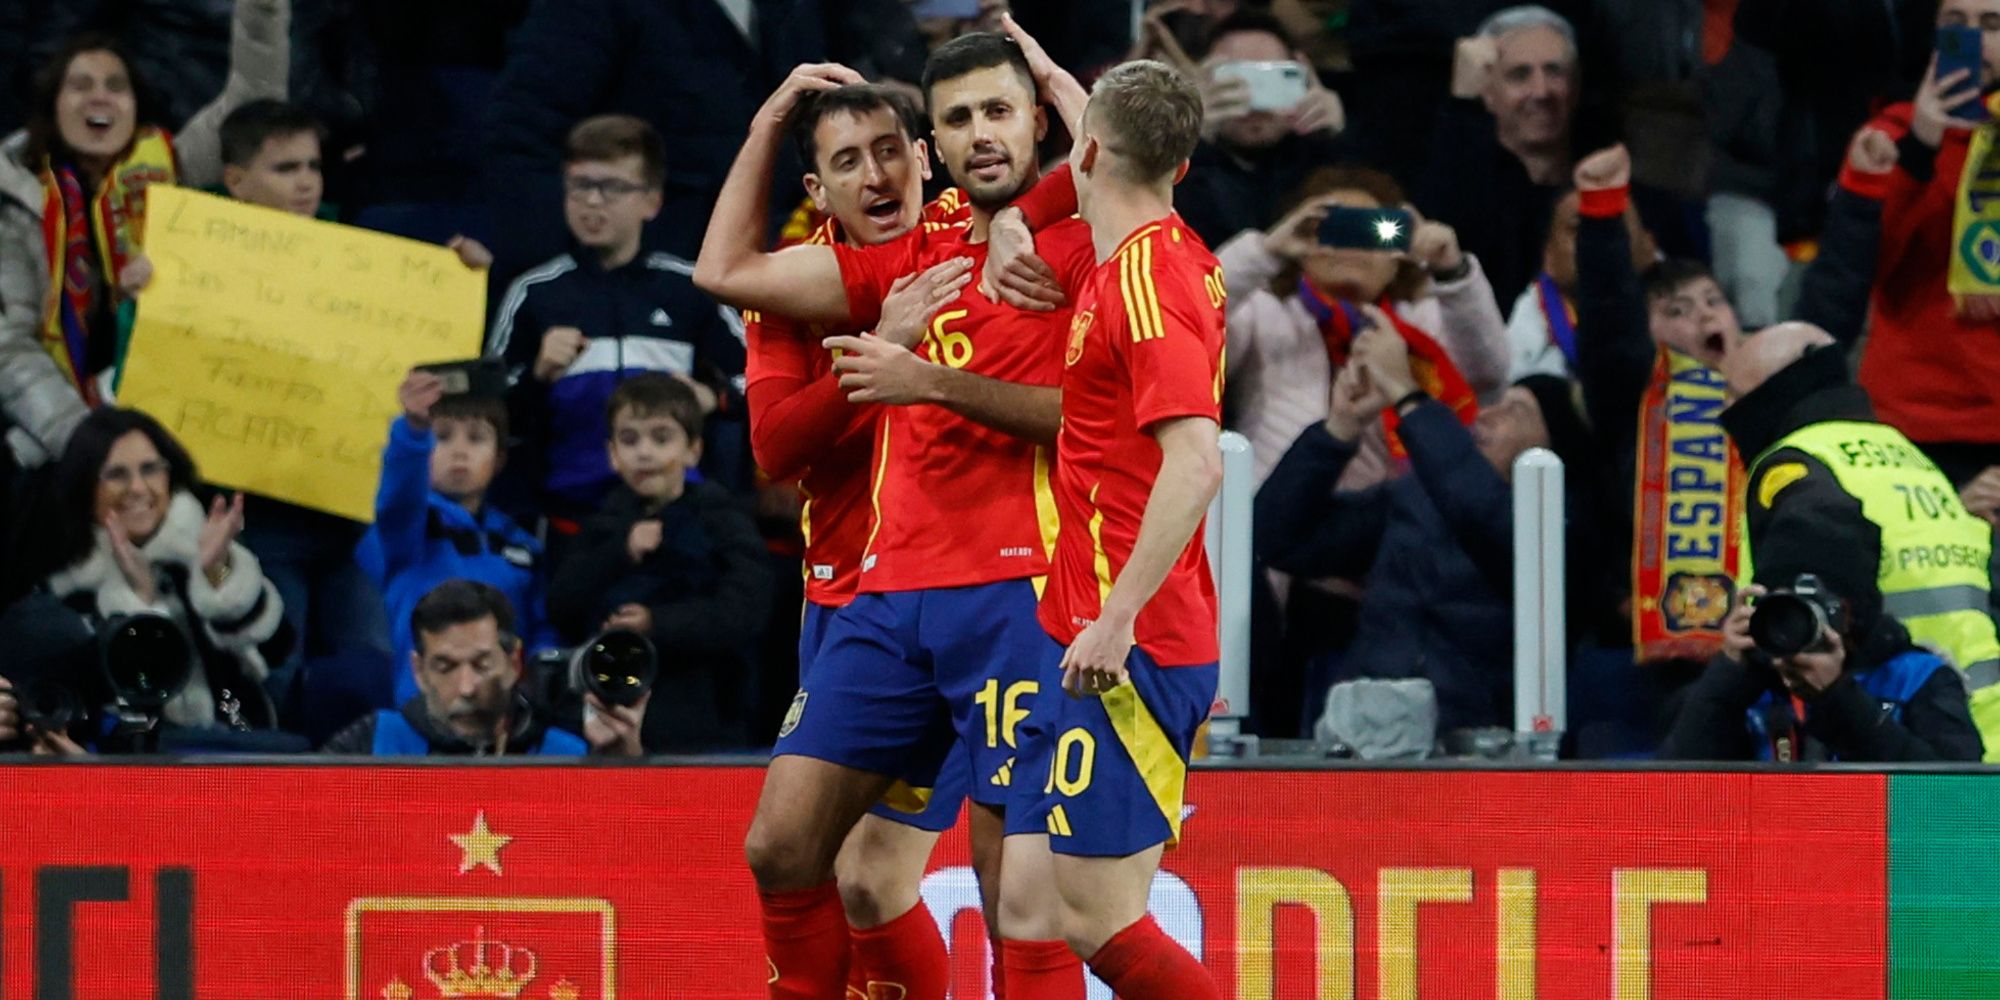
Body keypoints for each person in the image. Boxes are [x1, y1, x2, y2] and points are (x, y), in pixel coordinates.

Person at [694, 34, 1097, 999]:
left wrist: (1042, 101)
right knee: (795, 852)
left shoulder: (1064, 239)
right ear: (819, 185)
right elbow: (729, 295)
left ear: (922, 159)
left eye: (891, 149)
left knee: (970, 894)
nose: (877, 173)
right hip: (864, 597)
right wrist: (763, 120)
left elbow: (1119, 158)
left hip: (1017, 597)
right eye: (845, 161)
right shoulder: (888, 268)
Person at [993, 56, 1226, 998]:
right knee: (1027, 905)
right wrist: (1049, 72)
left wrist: (1117, 619)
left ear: (1086, 151)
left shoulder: (1144, 284)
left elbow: (1197, 461)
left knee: (1096, 918)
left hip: (1130, 644)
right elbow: (1110, 140)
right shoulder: (1148, 244)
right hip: (1079, 627)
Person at [1256, 325, 1594, 747]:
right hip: (1362, 736)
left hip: (1475, 747)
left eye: (1516, 411)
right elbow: (1280, 538)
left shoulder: (1560, 528)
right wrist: (1339, 429)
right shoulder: (1419, 495)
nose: (1486, 414)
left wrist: (1408, 395)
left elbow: (1482, 513)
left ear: (1551, 447)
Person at [0, 8, 288, 469]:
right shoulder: (11, 199)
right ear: (52, 105)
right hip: (54, 440)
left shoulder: (171, 165)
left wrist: (265, 9)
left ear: (136, 106)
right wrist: (88, 444)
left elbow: (254, 96)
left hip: (168, 427)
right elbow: (8, 350)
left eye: (117, 87)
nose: (101, 98)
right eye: (81, 86)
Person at [1717, 322, 2000, 757]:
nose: (1726, 412)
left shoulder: (1792, 465)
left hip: (1890, 721)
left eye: (1735, 394)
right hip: (1980, 725)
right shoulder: (1907, 454)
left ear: (1771, 394)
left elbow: (1789, 589)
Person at [489, 114, 748, 533]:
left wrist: (712, 397)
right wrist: (537, 376)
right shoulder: (534, 293)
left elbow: (761, 382)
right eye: (580, 186)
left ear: (652, 200)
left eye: (612, 187)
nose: (593, 201)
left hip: (680, 517)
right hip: (570, 519)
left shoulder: (691, 288)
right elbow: (492, 415)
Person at [1216, 164, 1508, 488]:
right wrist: (1265, 250)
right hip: (1283, 510)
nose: (1351, 247)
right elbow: (1188, 330)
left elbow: (1489, 373)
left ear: (1398, 254)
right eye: (1333, 229)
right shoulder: (1262, 312)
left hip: (1401, 517)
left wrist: (1452, 271)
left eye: (1371, 231)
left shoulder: (1423, 320)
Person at [26, 408, 291, 740]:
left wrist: (217, 575)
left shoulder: (196, 552)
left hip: (239, 747)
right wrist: (140, 600)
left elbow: (279, 650)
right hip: (133, 770)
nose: (138, 488)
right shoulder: (64, 594)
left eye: (150, 469)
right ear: (85, 486)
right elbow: (100, 713)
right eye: (116, 474)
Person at [546, 375, 772, 752]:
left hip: (704, 716)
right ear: (612, 454)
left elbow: (746, 610)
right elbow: (561, 606)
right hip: (610, 711)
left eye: (661, 437)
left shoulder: (724, 521)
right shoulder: (602, 525)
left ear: (693, 450)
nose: (644, 452)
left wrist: (657, 623)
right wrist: (620, 552)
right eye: (630, 439)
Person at [1846, 1, 2000, 490]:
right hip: (1910, 423)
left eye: (1992, 24)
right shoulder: (1888, 136)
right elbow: (1860, 265)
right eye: (1956, 24)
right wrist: (1921, 143)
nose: (1974, 40)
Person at [363, 368, 557, 713]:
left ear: (499, 458)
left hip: (503, 716)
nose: (459, 451)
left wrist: (540, 671)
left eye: (476, 438)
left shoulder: (525, 547)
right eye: (443, 436)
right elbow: (397, 501)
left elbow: (541, 627)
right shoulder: (407, 530)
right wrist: (414, 431)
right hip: (423, 713)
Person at [1658, 576, 1984, 763]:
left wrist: (1838, 697)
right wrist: (1725, 676)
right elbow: (1672, 799)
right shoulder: (1745, 683)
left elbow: (1958, 804)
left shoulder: (1916, 677)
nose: (1795, 626)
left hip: (1891, 866)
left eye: (1817, 611)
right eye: (1784, 609)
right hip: (1766, 867)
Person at [321, 579, 646, 756]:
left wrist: (620, 762)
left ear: (514, 662)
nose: (466, 687)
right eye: (445, 667)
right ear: (419, 672)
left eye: (482, 664)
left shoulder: (564, 754)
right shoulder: (373, 742)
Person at [1417, 4, 1583, 307]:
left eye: (1554, 71)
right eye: (1520, 75)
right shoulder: (1466, 184)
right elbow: (1454, 238)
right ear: (1487, 92)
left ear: (1576, 85)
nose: (1541, 91)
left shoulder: (1607, 182)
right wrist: (1464, 108)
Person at [1172, 10, 1347, 248]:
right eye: (1235, 78)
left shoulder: (1322, 158)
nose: (1254, 102)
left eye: (1271, 78)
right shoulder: (1169, 171)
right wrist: (1191, 141)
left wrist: (1340, 140)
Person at [1503, 189, 1657, 381]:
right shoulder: (1519, 340)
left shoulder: (1689, 295)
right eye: (1580, 228)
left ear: (1649, 244)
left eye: (1614, 222)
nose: (1599, 240)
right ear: (1547, 256)